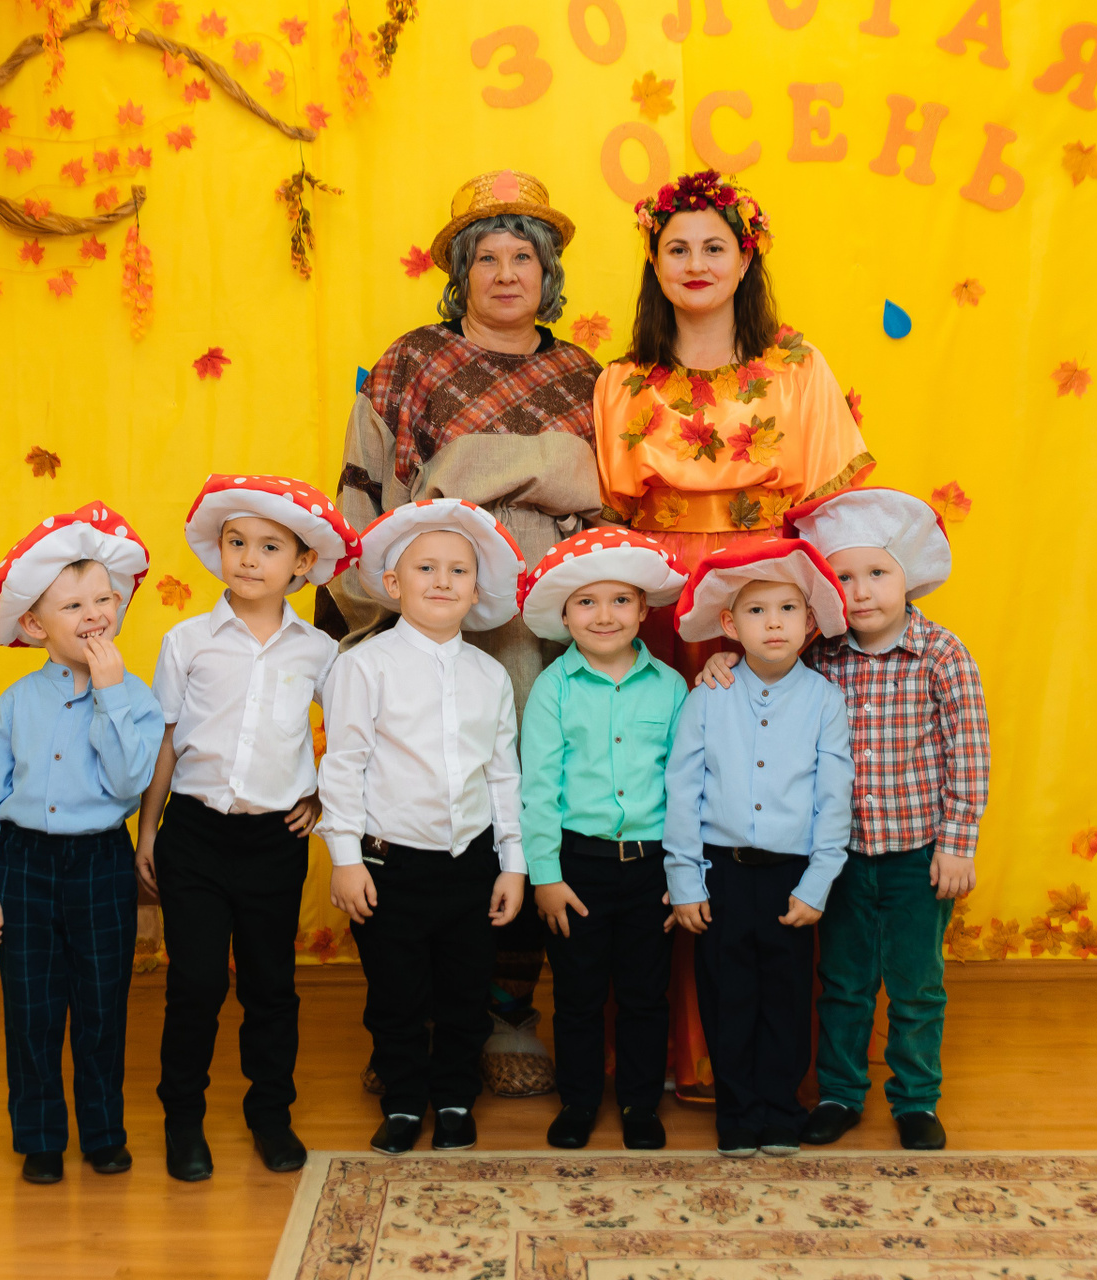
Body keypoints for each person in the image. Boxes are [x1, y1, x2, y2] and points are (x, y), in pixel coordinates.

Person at [322, 170, 604, 1097]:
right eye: (487, 257)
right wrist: (369, 616)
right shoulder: (410, 361)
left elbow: (608, 497)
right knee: (418, 786)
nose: (507, 273)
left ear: (549, 273)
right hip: (431, 603)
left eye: (526, 256)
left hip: (543, 620)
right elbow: (366, 485)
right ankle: (416, 1020)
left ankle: (507, 1010)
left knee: (520, 791)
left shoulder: (585, 376)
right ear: (460, 274)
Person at [593, 168, 873, 1099]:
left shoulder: (797, 367)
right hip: (660, 608)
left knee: (769, 802)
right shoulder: (621, 381)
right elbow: (609, 520)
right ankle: (659, 1048)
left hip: (767, 601)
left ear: (747, 258)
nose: (697, 262)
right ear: (654, 261)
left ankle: (764, 1057)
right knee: (660, 801)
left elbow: (831, 511)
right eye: (677, 247)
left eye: (716, 246)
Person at [136, 475, 360, 1182]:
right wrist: (148, 833)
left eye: (269, 547)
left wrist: (319, 799)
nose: (249, 558)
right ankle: (183, 1120)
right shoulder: (187, 641)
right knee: (196, 984)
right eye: (237, 542)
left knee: (270, 986)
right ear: (219, 549)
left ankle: (271, 1115)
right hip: (194, 837)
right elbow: (165, 741)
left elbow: (348, 740)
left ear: (302, 564)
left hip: (273, 845)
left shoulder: (319, 652)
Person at [316, 498, 529, 1156]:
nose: (442, 580)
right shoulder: (363, 665)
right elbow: (343, 765)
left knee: (465, 991)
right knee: (397, 993)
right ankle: (405, 1100)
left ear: (477, 589)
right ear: (393, 582)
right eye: (425, 568)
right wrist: (346, 857)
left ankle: (456, 1098)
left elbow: (503, 775)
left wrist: (513, 863)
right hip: (390, 866)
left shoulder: (490, 675)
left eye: (458, 570)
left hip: (470, 864)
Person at [0, 501, 165, 1185]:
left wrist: (109, 695)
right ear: (34, 625)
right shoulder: (15, 703)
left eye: (103, 599)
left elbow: (131, 781)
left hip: (100, 862)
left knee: (103, 1006)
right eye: (72, 604)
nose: (93, 615)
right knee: (32, 1007)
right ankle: (42, 1137)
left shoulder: (136, 698)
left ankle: (103, 1133)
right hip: (26, 865)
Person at [785, 487, 989, 1151]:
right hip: (839, 856)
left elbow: (968, 754)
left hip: (917, 854)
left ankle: (916, 1099)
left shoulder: (942, 656)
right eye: (844, 577)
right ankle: (840, 1093)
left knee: (916, 984)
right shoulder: (819, 656)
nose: (862, 591)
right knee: (842, 982)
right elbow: (771, 696)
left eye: (877, 572)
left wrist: (957, 845)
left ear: (908, 576)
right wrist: (727, 664)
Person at [663, 538, 853, 1157]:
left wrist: (818, 883)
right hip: (721, 872)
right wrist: (685, 880)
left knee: (787, 998)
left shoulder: (825, 701)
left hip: (791, 877)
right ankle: (738, 1111)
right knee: (729, 996)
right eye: (756, 610)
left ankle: (779, 1108)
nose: (774, 623)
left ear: (810, 621)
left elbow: (833, 797)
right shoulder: (706, 697)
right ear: (729, 624)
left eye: (788, 609)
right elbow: (682, 792)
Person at [514, 528, 689, 1151]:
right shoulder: (552, 689)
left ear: (643, 610)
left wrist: (682, 875)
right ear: (564, 616)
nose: (605, 615)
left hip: (651, 867)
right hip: (577, 866)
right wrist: (545, 876)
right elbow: (538, 788)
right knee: (579, 994)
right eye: (586, 602)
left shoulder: (671, 687)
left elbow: (686, 785)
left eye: (620, 600)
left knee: (645, 994)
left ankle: (641, 1103)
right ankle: (580, 1101)